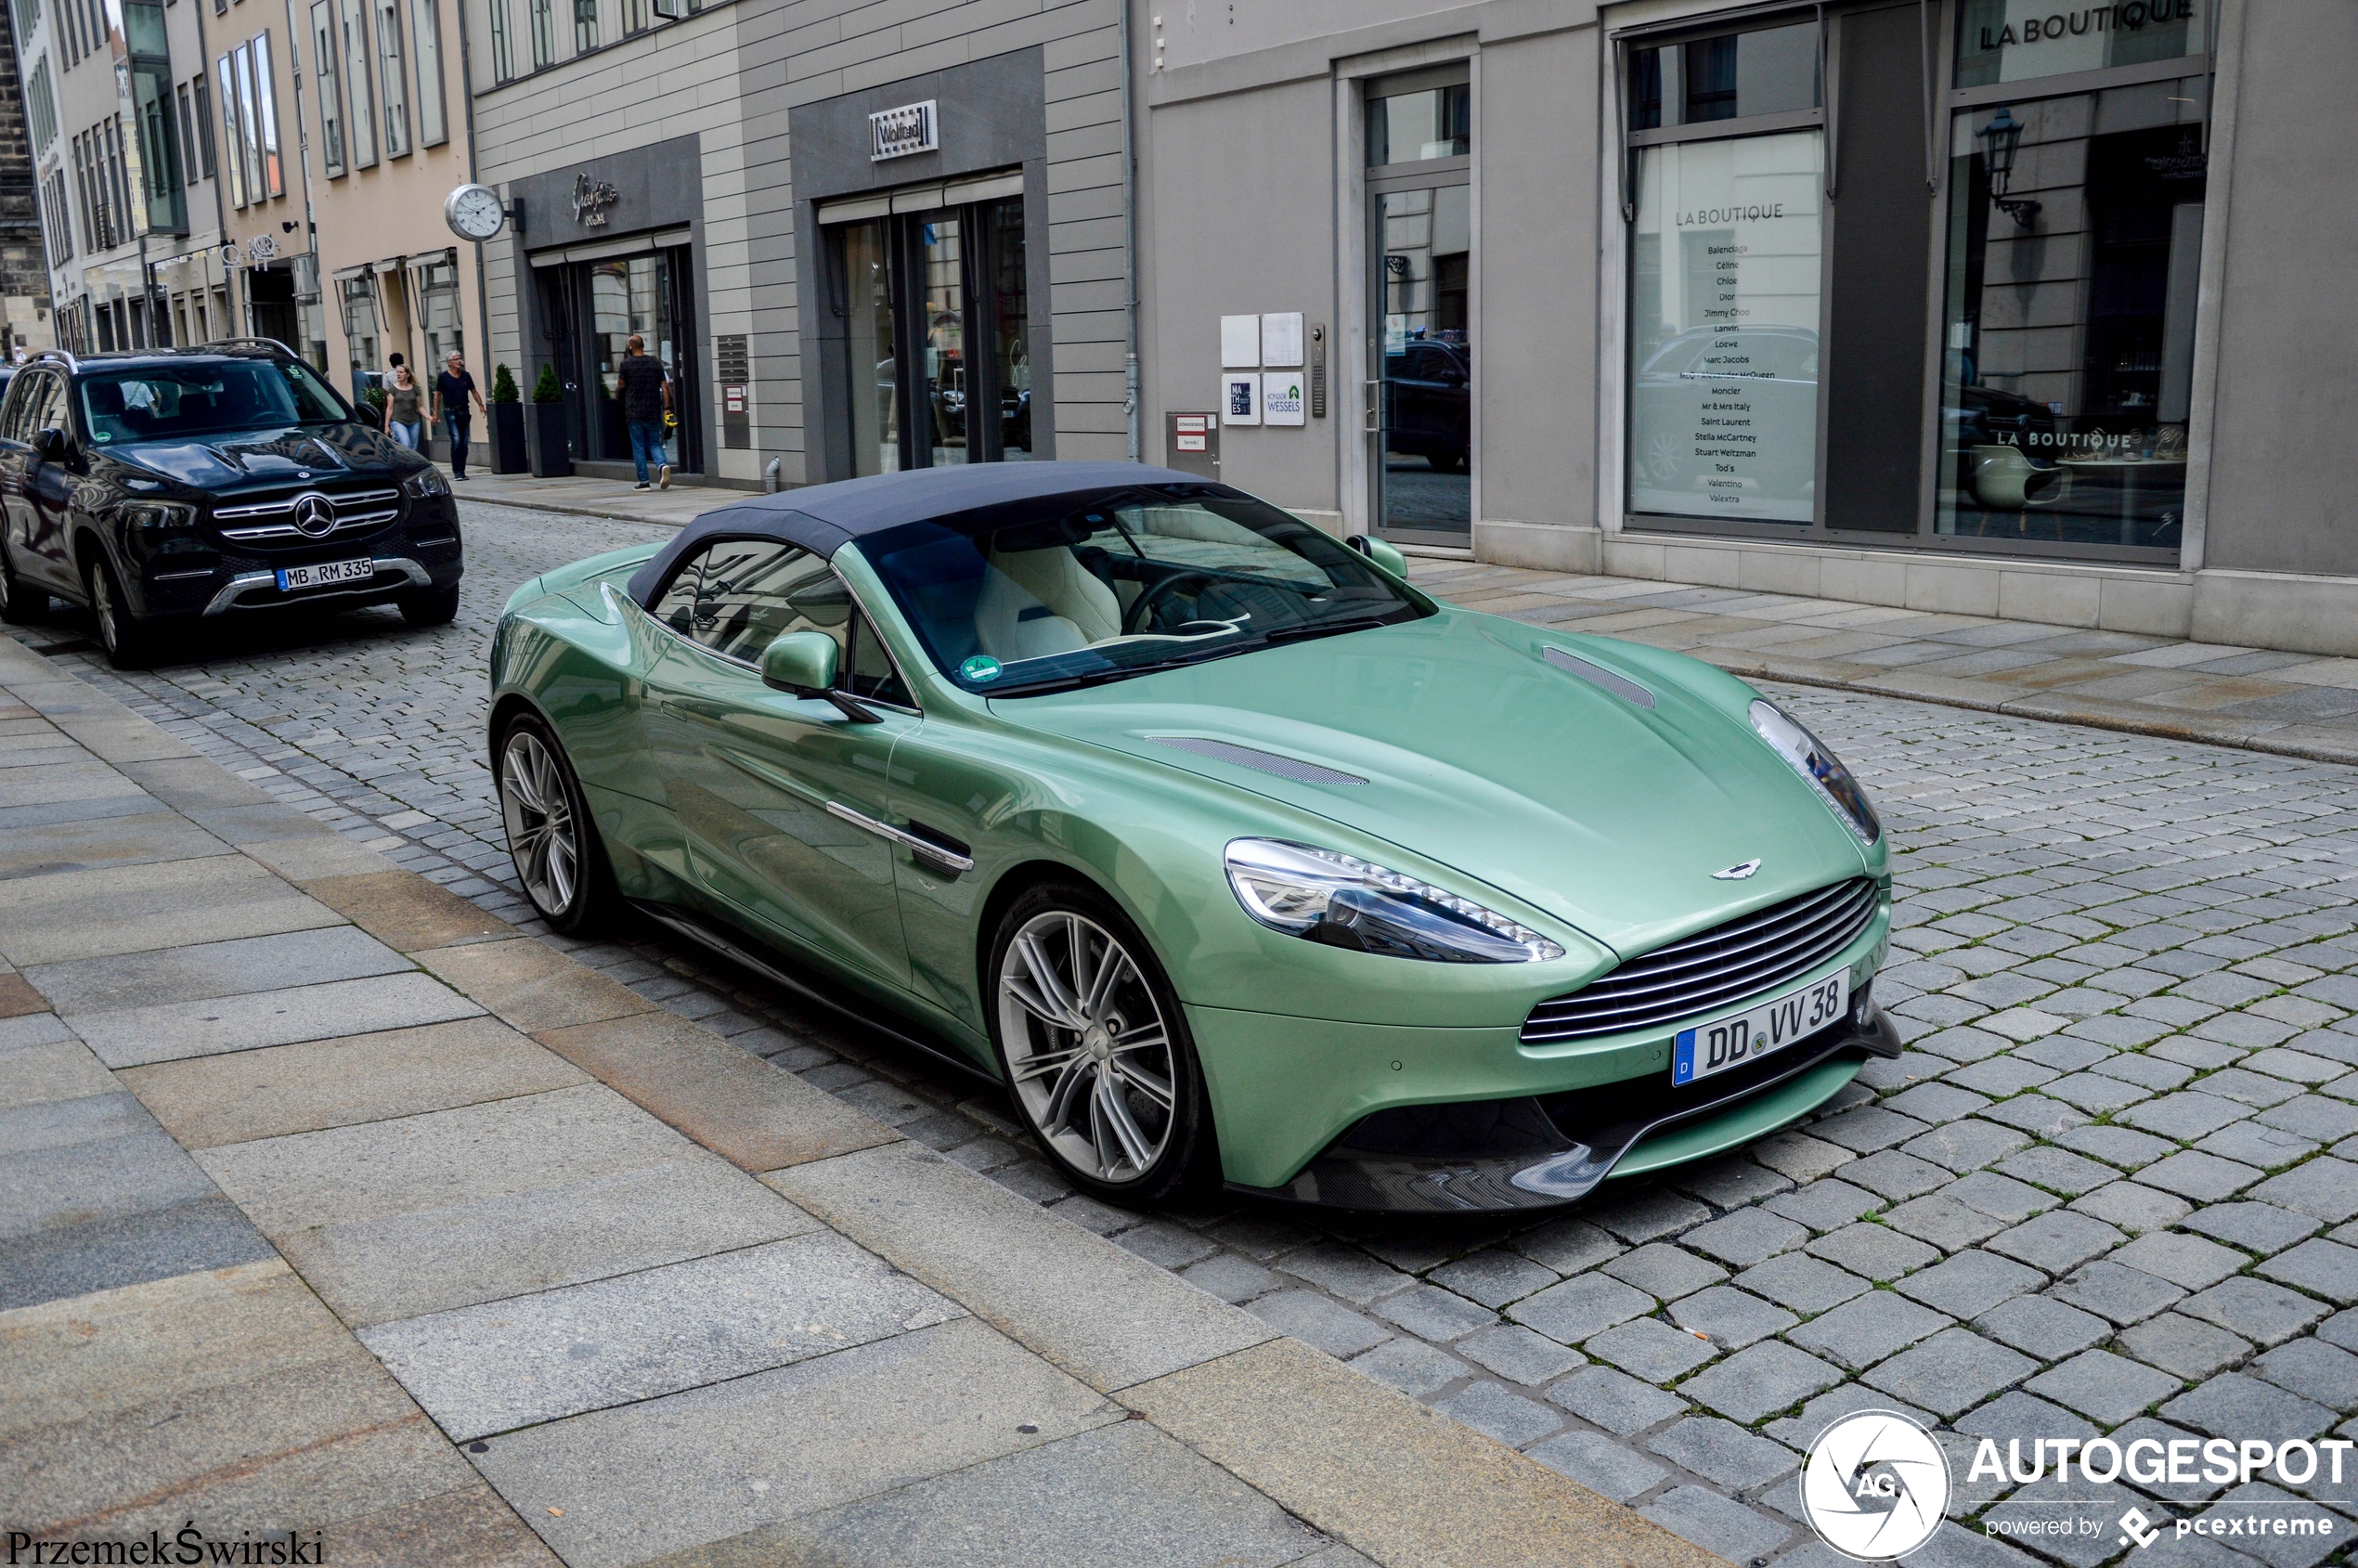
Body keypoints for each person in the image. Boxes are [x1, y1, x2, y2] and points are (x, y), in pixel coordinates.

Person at [614, 334, 671, 490]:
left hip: (634, 411)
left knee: (638, 447)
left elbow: (621, 385)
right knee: (654, 443)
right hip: (653, 410)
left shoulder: (626, 364)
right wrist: (667, 408)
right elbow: (665, 386)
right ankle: (662, 465)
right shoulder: (654, 362)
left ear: (631, 347)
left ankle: (644, 482)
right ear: (643, 346)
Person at [434, 353, 486, 480]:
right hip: (450, 411)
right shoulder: (444, 377)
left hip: (464, 410)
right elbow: (437, 395)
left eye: (460, 358)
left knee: (464, 442)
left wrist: (480, 404)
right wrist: (435, 413)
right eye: (455, 359)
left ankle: (462, 470)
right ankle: (457, 471)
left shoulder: (466, 376)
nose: (459, 361)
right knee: (456, 440)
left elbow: (473, 391)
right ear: (449, 362)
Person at [383, 363, 426, 451]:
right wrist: (386, 426)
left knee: (414, 447)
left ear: (408, 374)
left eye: (401, 372)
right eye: (397, 372)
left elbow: (419, 407)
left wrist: (430, 418)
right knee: (406, 444)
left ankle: (411, 464)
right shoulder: (393, 389)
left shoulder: (414, 389)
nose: (398, 374)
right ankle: (406, 464)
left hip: (414, 421)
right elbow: (389, 408)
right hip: (398, 421)